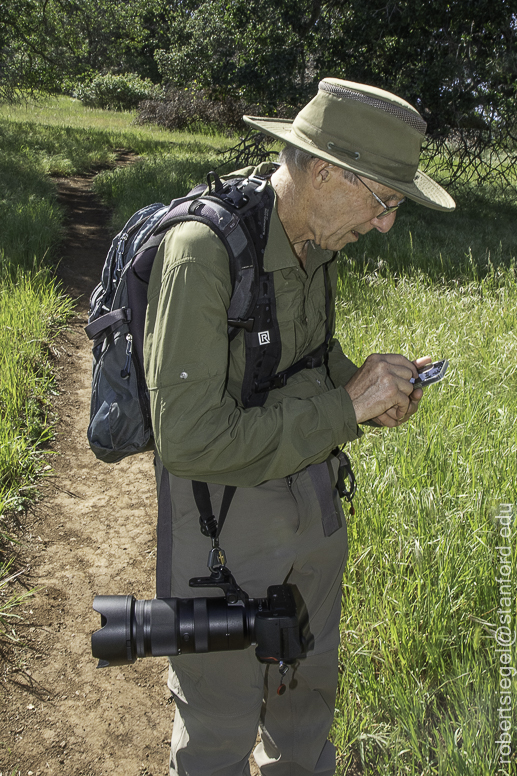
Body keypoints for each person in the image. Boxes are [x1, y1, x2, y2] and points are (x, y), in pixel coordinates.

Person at [143, 78, 455, 776]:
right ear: (323, 172)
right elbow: (189, 438)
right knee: (220, 720)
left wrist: (370, 388)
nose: (384, 225)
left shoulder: (315, 239)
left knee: (306, 692)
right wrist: (346, 407)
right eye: (383, 202)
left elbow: (303, 360)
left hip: (310, 495)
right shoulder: (200, 252)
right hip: (220, 524)